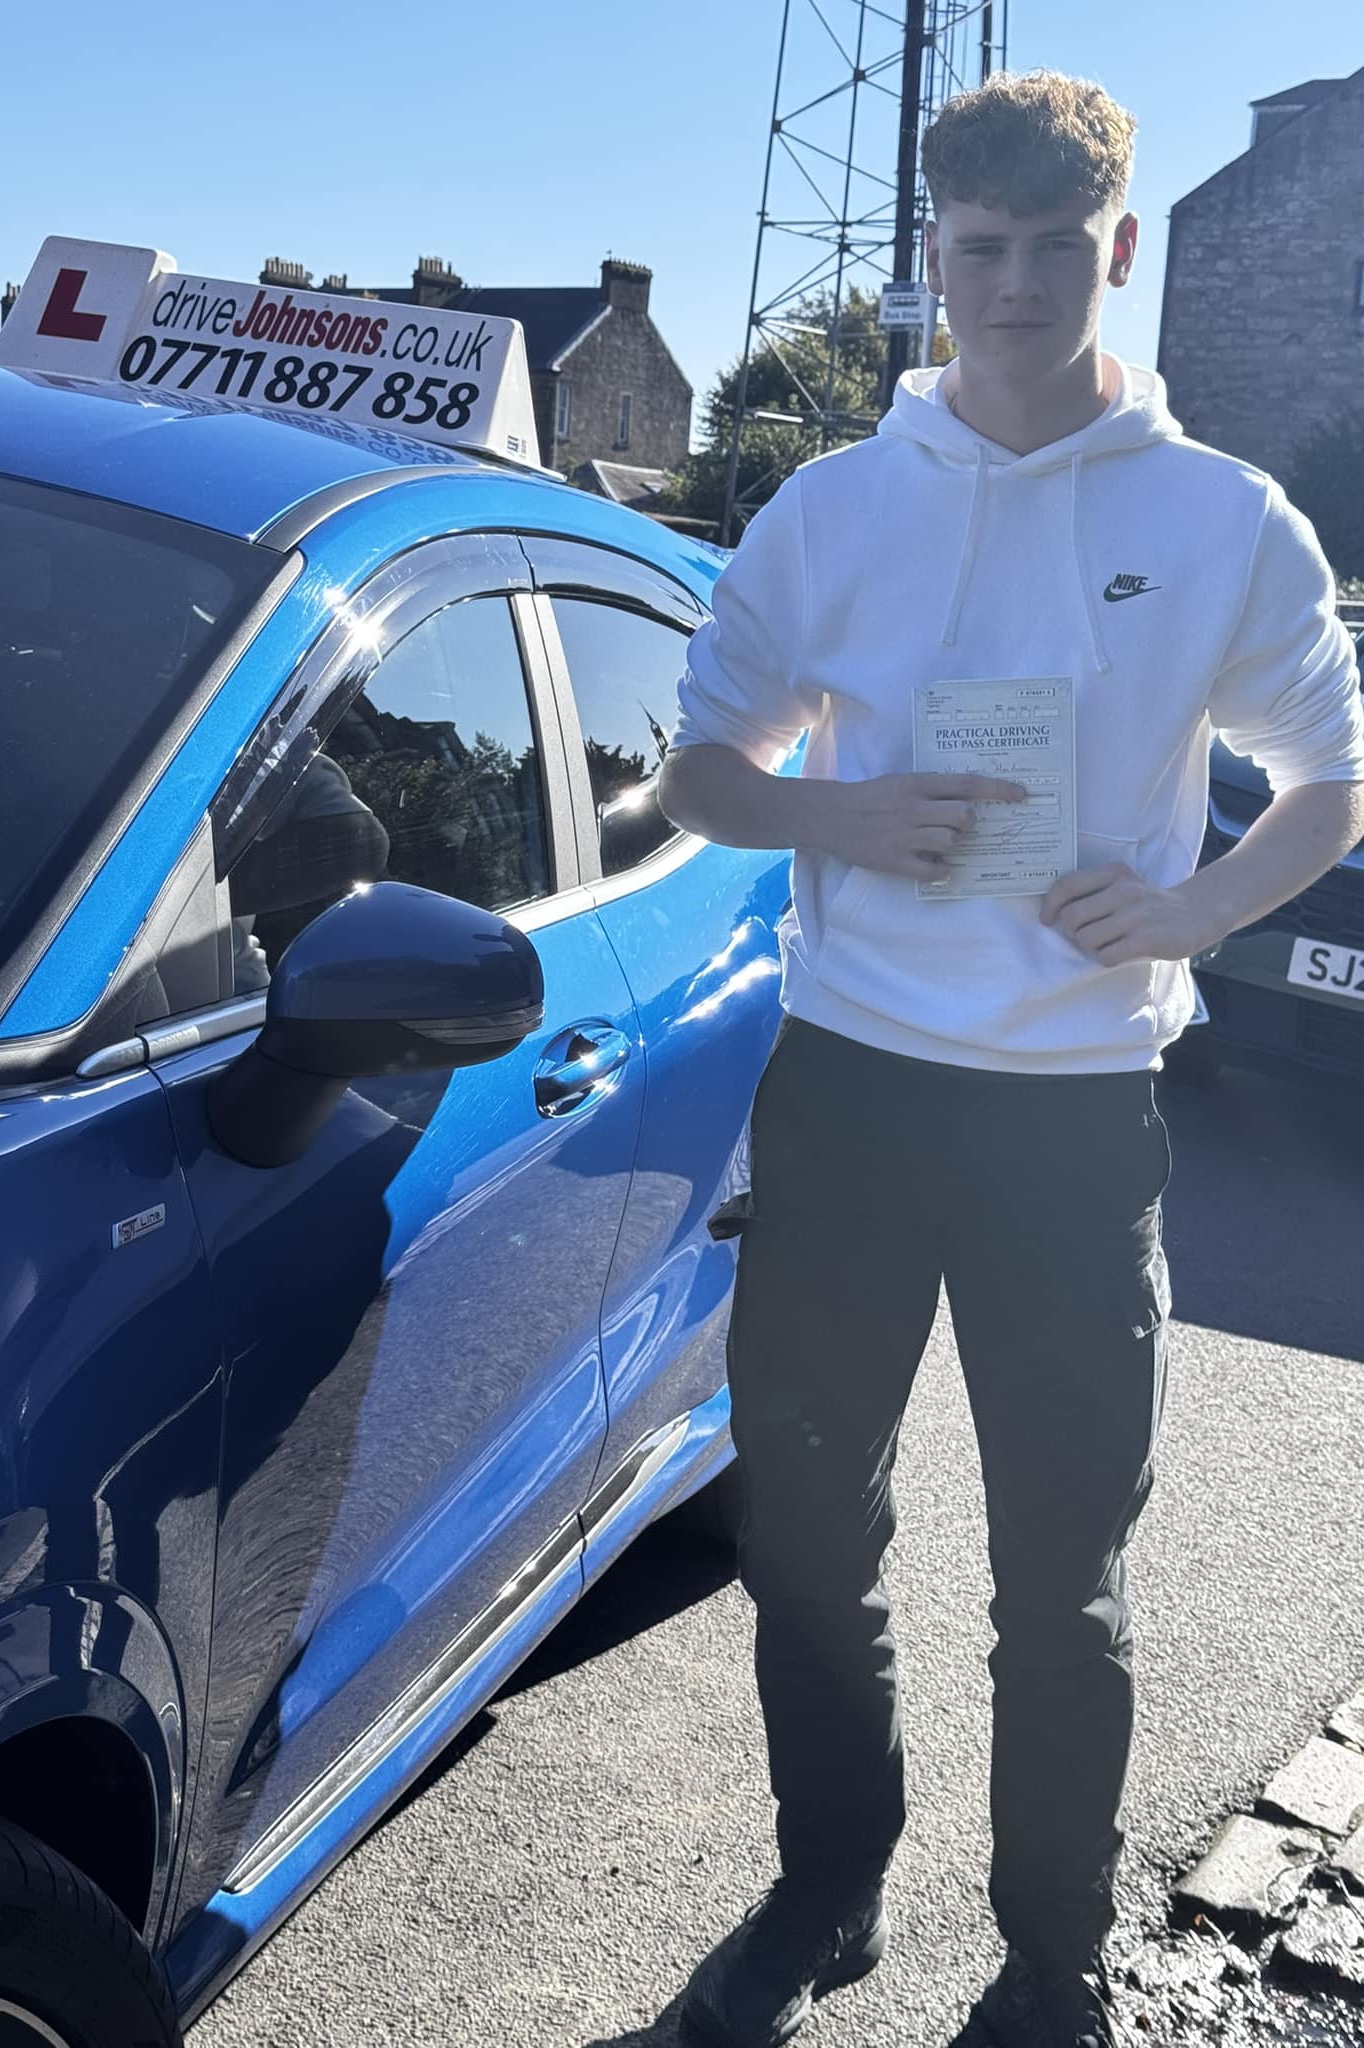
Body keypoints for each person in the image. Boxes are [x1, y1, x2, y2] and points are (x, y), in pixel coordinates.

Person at [659, 69, 1364, 2048]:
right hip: (852, 1089)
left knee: (1064, 1578)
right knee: (809, 1538)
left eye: (1062, 248)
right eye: (985, 249)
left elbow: (1330, 777)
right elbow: (704, 770)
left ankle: (1054, 1956)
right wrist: (840, 813)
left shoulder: (1222, 519)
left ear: (1117, 247)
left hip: (1074, 1119)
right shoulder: (835, 506)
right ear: (938, 253)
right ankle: (827, 1887)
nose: (1022, 287)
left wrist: (1198, 908)